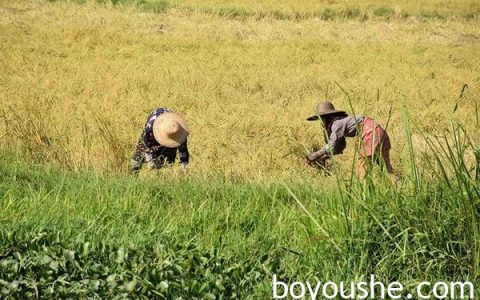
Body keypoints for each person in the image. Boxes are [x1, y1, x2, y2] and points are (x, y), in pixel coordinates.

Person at [306, 101, 394, 179]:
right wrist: (325, 157)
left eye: (322, 118)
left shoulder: (337, 124)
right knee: (385, 166)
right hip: (379, 131)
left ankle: (363, 192)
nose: (322, 122)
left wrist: (315, 155)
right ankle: (396, 186)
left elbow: (332, 145)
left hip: (370, 133)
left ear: (327, 117)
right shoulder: (341, 122)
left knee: (363, 166)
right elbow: (339, 147)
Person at [131, 108, 189, 174]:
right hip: (156, 127)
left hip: (169, 121)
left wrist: (185, 168)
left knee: (168, 159)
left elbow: (183, 151)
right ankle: (134, 174)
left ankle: (164, 178)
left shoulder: (180, 131)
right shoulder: (150, 129)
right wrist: (151, 164)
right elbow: (146, 147)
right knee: (138, 157)